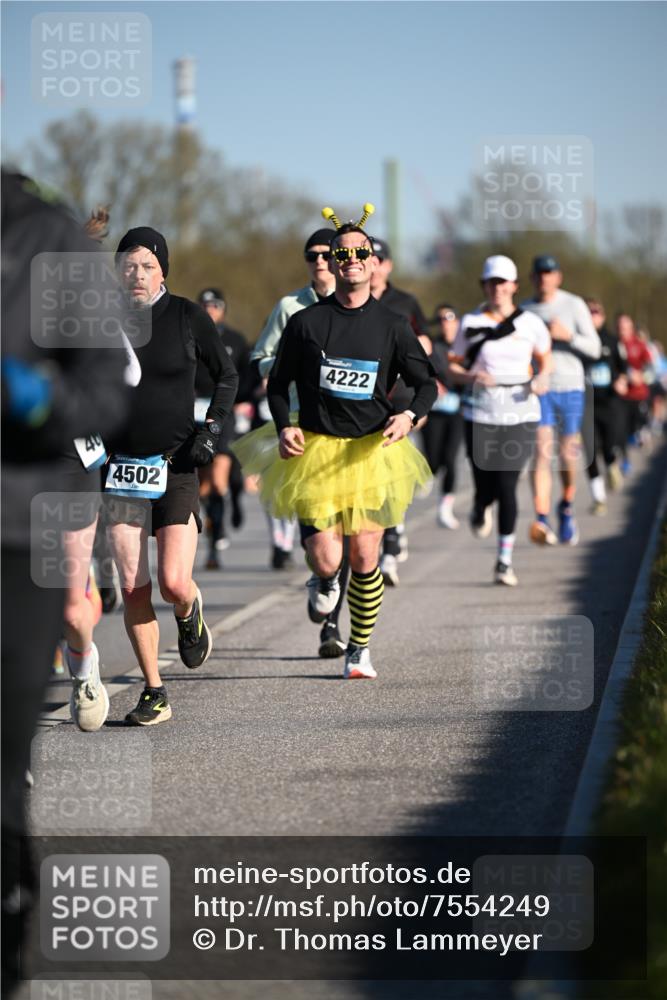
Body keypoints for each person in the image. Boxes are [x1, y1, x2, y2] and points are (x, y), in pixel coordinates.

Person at [1, 171, 129, 995]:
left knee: (82, 602)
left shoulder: (42, 236)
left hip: (25, 515)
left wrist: (40, 399)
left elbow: (111, 387)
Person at [235, 206, 436, 679]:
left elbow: (427, 384)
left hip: (371, 452)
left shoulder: (392, 324)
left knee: (365, 556)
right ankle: (322, 577)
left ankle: (359, 649)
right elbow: (277, 384)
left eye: (359, 253)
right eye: (340, 254)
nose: (350, 260)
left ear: (373, 262)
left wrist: (408, 416)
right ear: (332, 261)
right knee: (328, 557)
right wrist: (283, 426)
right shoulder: (306, 322)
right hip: (316, 450)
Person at [106, 227, 238, 725]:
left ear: (163, 270)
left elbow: (227, 376)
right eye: (128, 265)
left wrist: (212, 430)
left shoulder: (186, 315)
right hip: (120, 471)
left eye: (147, 265)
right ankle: (154, 690)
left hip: (175, 465)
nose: (137, 275)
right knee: (132, 586)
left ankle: (189, 610)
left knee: (173, 583)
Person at [249, 227, 348, 658]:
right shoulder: (290, 306)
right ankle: (321, 575)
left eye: (328, 254)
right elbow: (260, 357)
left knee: (344, 526)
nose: (321, 261)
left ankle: (332, 625)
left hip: (349, 425)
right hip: (299, 423)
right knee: (316, 520)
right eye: (313, 255)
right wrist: (293, 362)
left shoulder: (356, 306)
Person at [450, 255, 551, 586]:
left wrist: (543, 377)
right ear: (484, 285)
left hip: (520, 412)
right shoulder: (470, 322)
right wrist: (471, 377)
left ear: (514, 286)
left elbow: (545, 359)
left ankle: (504, 561)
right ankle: (481, 505)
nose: (497, 288)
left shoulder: (531, 323)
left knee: (508, 484)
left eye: (503, 282)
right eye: (491, 282)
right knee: (485, 484)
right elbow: (452, 365)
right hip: (481, 413)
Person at [521, 254, 600, 546]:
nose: (545, 278)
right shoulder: (524, 310)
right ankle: (541, 518)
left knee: (568, 453)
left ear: (558, 277)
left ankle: (566, 506)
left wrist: (568, 336)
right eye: (540, 273)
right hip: (540, 389)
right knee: (541, 450)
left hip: (571, 388)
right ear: (532, 278)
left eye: (550, 273)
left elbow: (595, 348)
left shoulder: (574, 305)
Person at [369, 236, 430, 585]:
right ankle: (389, 532)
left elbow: (427, 343)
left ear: (388, 265)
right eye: (369, 258)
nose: (374, 266)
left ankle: (391, 542)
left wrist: (422, 402)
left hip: (401, 397)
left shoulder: (405, 303)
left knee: (394, 471)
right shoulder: (348, 301)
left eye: (380, 260)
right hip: (364, 401)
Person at [195, 287, 251, 569]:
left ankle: (217, 538)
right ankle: (213, 534)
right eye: (204, 305)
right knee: (202, 486)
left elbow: (247, 375)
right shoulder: (188, 336)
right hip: (192, 412)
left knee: (219, 481)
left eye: (215, 305)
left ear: (223, 309)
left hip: (222, 414)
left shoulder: (235, 340)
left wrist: (243, 400)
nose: (210, 310)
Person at [421, 304, 464, 529]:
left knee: (450, 459)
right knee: (433, 461)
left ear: (457, 321)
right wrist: (432, 382)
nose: (445, 323)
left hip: (458, 411)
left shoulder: (465, 347)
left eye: (449, 318)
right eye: (440, 320)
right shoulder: (433, 346)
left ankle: (445, 508)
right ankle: (424, 474)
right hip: (435, 410)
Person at [583, 298, 627, 512]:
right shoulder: (579, 341)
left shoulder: (612, 340)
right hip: (586, 404)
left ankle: (611, 464)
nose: (593, 316)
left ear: (603, 315)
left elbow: (623, 368)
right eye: (588, 311)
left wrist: (622, 381)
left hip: (609, 403)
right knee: (590, 452)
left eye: (596, 311)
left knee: (609, 446)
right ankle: (598, 498)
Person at [616, 312, 654, 465]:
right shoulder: (614, 344)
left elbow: (651, 367)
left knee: (639, 427)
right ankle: (625, 461)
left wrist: (641, 376)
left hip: (639, 395)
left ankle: (643, 440)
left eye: (625, 327)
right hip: (620, 396)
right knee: (621, 431)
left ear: (631, 327)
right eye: (620, 327)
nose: (622, 330)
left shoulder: (639, 345)